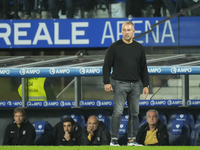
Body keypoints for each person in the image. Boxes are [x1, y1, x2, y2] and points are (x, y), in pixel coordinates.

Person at [103, 20, 149, 146]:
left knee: (134, 113)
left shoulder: (139, 48)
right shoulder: (114, 47)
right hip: (119, 83)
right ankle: (114, 140)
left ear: (133, 32)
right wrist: (106, 82)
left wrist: (146, 85)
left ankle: (132, 140)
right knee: (117, 112)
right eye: (124, 30)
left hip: (135, 85)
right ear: (121, 31)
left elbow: (143, 68)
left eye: (129, 30)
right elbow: (106, 66)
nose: (126, 32)